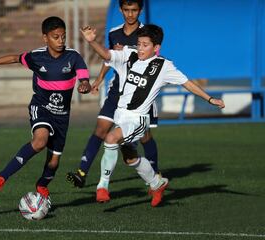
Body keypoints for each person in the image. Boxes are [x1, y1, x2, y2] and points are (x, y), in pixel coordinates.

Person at [80, 23, 225, 206]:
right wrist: (93, 42)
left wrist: (210, 99)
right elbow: (107, 55)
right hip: (121, 116)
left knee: (110, 138)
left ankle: (102, 187)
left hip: (138, 119)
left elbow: (187, 83)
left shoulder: (164, 66)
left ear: (156, 47)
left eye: (145, 45)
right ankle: (157, 183)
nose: (140, 48)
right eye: (139, 43)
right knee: (130, 157)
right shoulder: (129, 54)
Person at [0, 16, 91, 202]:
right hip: (41, 107)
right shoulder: (37, 56)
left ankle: (42, 185)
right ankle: (0, 178)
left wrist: (84, 85)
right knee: (40, 141)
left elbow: (84, 79)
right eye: (55, 37)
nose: (60, 41)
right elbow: (13, 58)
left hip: (62, 116)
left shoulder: (73, 57)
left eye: (63, 36)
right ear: (45, 38)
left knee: (54, 162)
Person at [67, 0, 160, 202]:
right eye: (126, 10)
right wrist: (99, 80)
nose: (130, 14)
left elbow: (153, 59)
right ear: (120, 10)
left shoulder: (147, 34)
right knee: (101, 129)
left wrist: (128, 52)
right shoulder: (114, 33)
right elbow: (109, 59)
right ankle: (82, 173)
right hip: (117, 90)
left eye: (134, 10)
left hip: (140, 93)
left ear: (140, 10)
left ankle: (155, 177)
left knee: (144, 137)